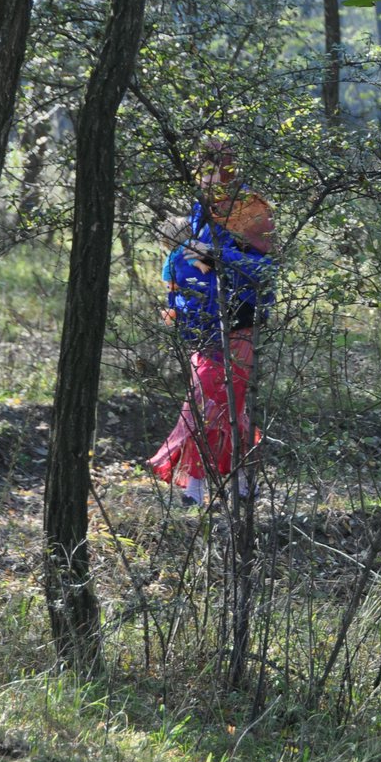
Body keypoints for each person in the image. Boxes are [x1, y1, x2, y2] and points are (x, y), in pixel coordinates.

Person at [148, 146, 276, 505]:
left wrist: (219, 257)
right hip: (202, 331)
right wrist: (179, 310)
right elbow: (180, 271)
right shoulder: (198, 213)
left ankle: (227, 485)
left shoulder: (250, 209)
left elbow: (267, 272)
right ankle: (201, 487)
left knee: (224, 406)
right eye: (204, 170)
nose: (209, 177)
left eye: (217, 169)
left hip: (239, 326)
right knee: (208, 404)